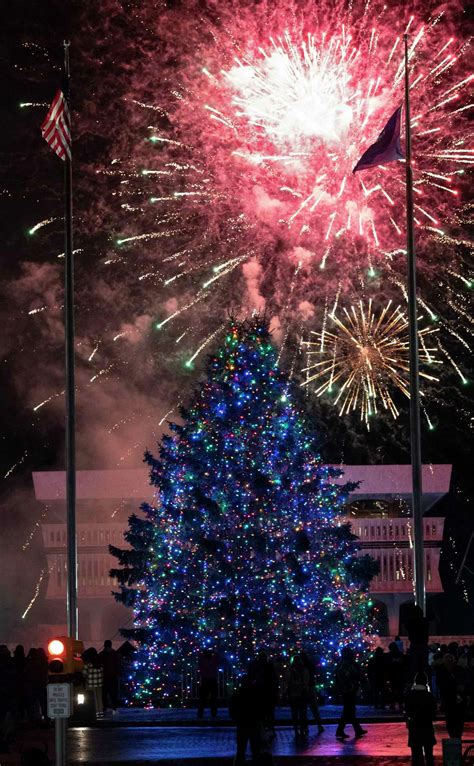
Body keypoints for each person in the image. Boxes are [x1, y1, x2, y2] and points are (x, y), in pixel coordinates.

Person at [335, 647, 367, 740]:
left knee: (349, 710)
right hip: (350, 689)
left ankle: (357, 729)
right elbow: (356, 675)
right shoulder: (349, 664)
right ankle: (340, 730)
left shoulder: (341, 664)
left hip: (344, 690)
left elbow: (337, 677)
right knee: (349, 710)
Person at [229, 674, 262, 765]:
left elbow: (232, 709)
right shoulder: (256, 694)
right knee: (255, 750)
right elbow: (261, 708)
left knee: (241, 749)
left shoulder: (237, 694)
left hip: (242, 724)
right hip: (254, 723)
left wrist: (235, 719)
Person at [405, 672, 436, 766]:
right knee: (429, 755)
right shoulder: (429, 695)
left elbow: (407, 710)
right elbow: (433, 711)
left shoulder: (410, 695)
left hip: (415, 727)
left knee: (415, 756)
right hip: (427, 726)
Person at [436, 653, 466, 739]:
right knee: (452, 721)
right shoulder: (455, 670)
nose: (449, 663)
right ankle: (455, 738)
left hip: (453, 699)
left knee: (456, 721)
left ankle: (455, 738)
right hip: (451, 699)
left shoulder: (442, 671)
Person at [249, 650, 279, 733]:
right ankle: (270, 727)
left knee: (262, 711)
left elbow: (251, 676)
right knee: (269, 711)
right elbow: (274, 678)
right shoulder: (269, 665)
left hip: (261, 691)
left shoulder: (256, 665)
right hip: (268, 691)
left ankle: (263, 727)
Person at [299, 651, 324, 733]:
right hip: (310, 688)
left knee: (303, 709)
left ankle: (305, 727)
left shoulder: (299, 667)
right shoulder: (310, 665)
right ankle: (319, 725)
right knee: (314, 708)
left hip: (303, 689)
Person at [286, 654, 309, 739]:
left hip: (293, 694)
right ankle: (302, 728)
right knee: (302, 712)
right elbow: (307, 681)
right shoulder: (304, 670)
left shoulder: (290, 670)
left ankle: (296, 729)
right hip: (302, 694)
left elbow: (287, 681)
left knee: (295, 712)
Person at [22, 647, 48, 721]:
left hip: (32, 685)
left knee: (33, 704)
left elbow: (25, 673)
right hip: (42, 685)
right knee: (44, 704)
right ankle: (46, 718)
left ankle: (34, 719)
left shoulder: (31, 662)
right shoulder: (45, 662)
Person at [99, 640, 121, 714]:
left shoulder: (101, 654)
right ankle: (114, 708)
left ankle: (105, 708)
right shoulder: (115, 654)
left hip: (104, 677)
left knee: (104, 693)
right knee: (113, 693)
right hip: (113, 676)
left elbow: (99, 665)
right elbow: (118, 664)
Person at [197, 648, 219, 719]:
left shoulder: (202, 661)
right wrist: (214, 651)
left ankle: (200, 713)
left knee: (203, 698)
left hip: (205, 679)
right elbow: (217, 657)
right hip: (212, 679)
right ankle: (213, 713)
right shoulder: (213, 661)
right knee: (213, 698)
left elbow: (200, 659)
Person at [83, 648, 104, 719]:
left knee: (94, 698)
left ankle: (96, 712)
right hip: (99, 683)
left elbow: (84, 674)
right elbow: (102, 672)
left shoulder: (88, 664)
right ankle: (101, 712)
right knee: (99, 697)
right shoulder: (99, 663)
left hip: (91, 683)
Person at [386, 641, 406, 711]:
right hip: (398, 675)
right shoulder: (400, 654)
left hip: (394, 675)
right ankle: (399, 704)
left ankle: (393, 704)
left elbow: (387, 665)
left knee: (394, 691)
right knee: (399, 691)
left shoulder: (389, 655)